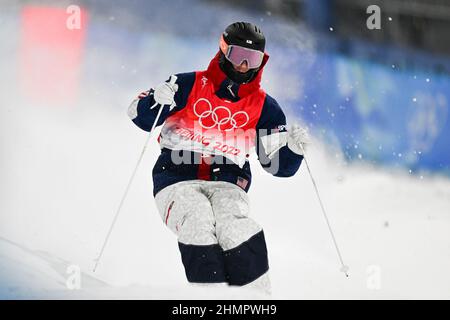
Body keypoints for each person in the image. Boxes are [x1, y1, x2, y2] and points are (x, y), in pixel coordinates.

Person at [128, 22, 309, 293]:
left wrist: (293, 150)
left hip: (228, 185)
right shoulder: (188, 84)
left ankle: (254, 298)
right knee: (198, 218)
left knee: (236, 227)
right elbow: (139, 117)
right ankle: (211, 295)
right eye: (238, 56)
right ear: (223, 51)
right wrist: (156, 99)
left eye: (253, 59)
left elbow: (277, 167)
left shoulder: (265, 108)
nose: (244, 66)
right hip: (176, 179)